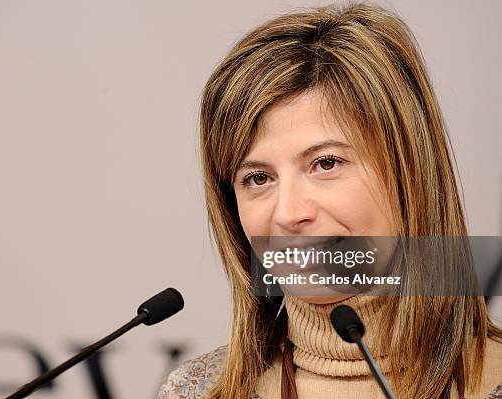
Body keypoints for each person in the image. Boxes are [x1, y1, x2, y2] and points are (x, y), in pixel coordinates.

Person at [157, 3, 502, 399]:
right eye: (258, 178)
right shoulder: (196, 391)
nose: (289, 214)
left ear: (410, 172)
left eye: (325, 163)